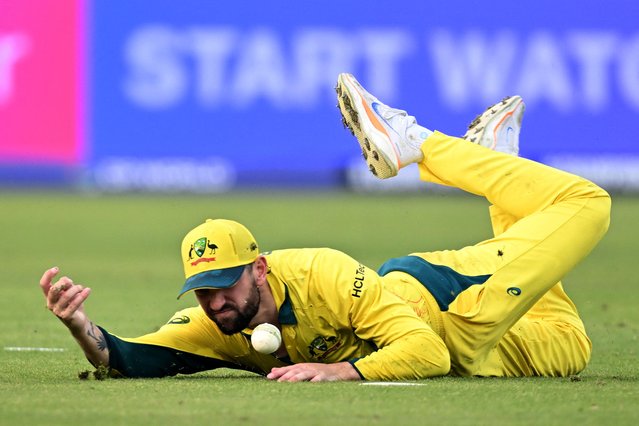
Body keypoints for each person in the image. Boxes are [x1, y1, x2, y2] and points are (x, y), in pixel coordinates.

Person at [40, 73, 610, 381]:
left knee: (587, 202)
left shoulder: (320, 273)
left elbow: (427, 354)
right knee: (571, 346)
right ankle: (497, 170)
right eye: (205, 290)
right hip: (477, 350)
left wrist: (339, 370)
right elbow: (135, 357)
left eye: (227, 284)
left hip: (452, 302)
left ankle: (418, 143)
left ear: (259, 268)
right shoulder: (218, 324)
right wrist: (80, 326)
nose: (216, 303)